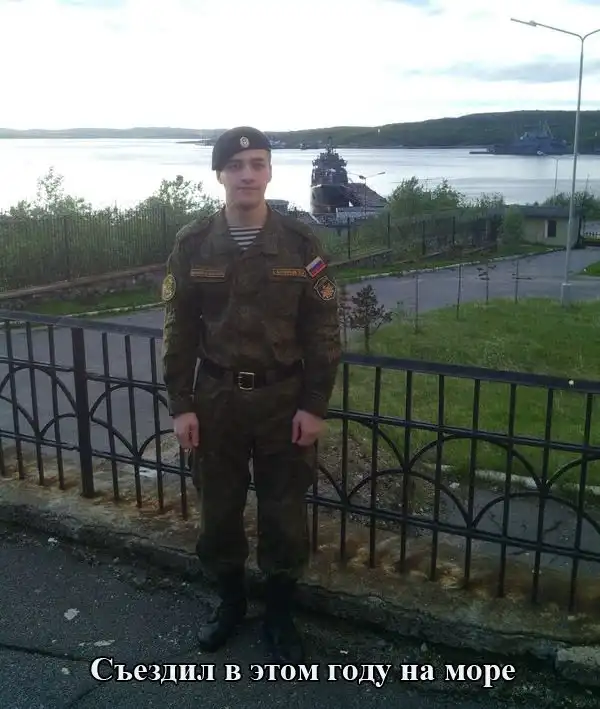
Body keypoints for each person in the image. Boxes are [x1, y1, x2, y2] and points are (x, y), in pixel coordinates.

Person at [161, 126, 341, 664]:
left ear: (269, 173)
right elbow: (178, 330)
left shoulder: (300, 243)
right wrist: (181, 405)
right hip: (216, 400)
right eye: (236, 165)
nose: (247, 174)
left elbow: (323, 329)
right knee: (218, 509)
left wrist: (314, 405)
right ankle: (230, 603)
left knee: (284, 513)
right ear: (220, 174)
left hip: (283, 399)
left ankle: (280, 613)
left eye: (257, 164)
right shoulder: (193, 244)